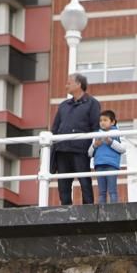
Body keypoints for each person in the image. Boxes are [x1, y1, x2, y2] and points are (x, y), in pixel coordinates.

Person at [50, 73, 101, 205]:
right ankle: (66, 211)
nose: (66, 85)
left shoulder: (92, 103)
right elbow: (54, 129)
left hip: (81, 150)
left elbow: (96, 126)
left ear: (78, 84)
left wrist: (94, 147)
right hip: (62, 150)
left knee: (85, 183)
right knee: (63, 186)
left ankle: (88, 211)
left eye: (68, 83)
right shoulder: (63, 105)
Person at [88, 110, 126, 204]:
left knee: (112, 191)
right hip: (99, 165)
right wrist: (95, 145)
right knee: (101, 192)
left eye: (105, 120)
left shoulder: (117, 133)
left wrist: (111, 142)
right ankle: (102, 213)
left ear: (112, 122)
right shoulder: (97, 134)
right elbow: (89, 153)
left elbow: (123, 149)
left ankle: (113, 211)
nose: (102, 122)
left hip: (111, 165)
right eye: (101, 120)